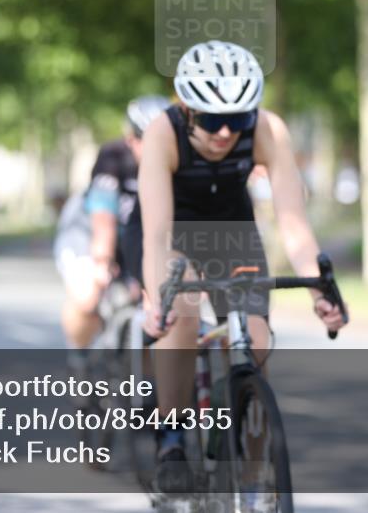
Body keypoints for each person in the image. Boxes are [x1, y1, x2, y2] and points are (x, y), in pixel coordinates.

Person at [130, 41, 348, 490]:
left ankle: (250, 470)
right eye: (212, 120)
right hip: (170, 231)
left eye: (238, 118)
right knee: (183, 306)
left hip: (232, 232)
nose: (226, 133)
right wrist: (157, 298)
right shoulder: (162, 133)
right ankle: (170, 435)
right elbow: (155, 234)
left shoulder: (269, 130)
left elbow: (293, 223)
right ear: (188, 109)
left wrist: (319, 291)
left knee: (257, 337)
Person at [54, 95, 171, 352]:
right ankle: (80, 355)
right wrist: (102, 261)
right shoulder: (113, 156)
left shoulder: (175, 160)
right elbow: (103, 218)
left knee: (154, 308)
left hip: (133, 235)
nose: (158, 148)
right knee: (88, 295)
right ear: (132, 139)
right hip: (85, 231)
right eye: (148, 141)